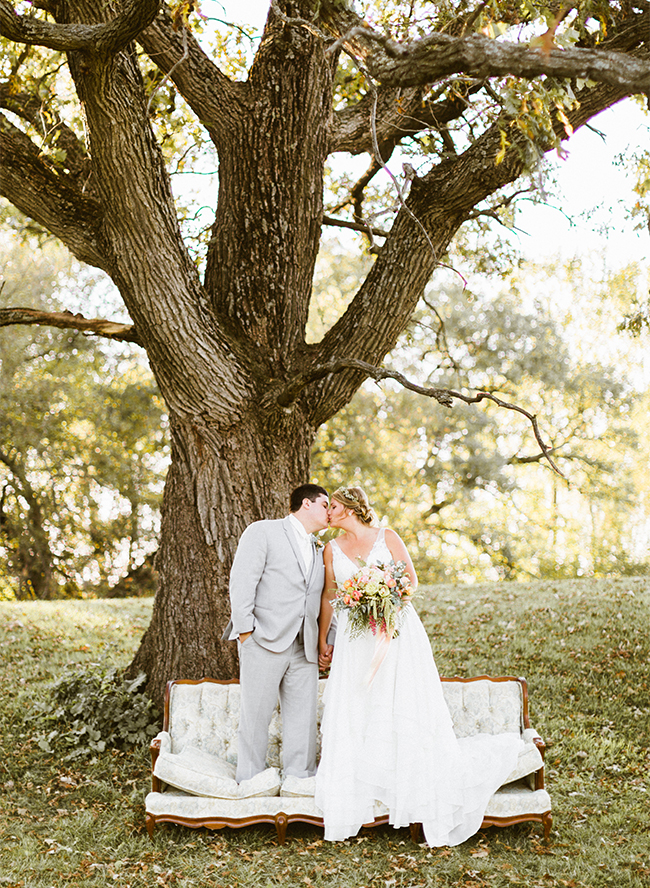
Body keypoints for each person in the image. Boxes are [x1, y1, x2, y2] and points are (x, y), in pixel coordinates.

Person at [315, 486, 524, 846]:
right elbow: (329, 595)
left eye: (332, 506)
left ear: (349, 509)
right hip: (355, 640)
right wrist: (324, 639)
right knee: (358, 703)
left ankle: (411, 788)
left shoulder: (388, 537)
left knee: (402, 702)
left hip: (396, 632)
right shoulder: (330, 549)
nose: (327, 513)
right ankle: (365, 787)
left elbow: (411, 581)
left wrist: (382, 594)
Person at [224, 483, 329, 783]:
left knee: (303, 721)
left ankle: (299, 781)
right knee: (256, 716)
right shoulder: (263, 531)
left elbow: (323, 597)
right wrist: (246, 632)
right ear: (306, 504)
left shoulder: (320, 549)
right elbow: (242, 581)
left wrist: (324, 641)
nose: (329, 512)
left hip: (304, 646)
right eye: (325, 505)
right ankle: (251, 782)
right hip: (263, 641)